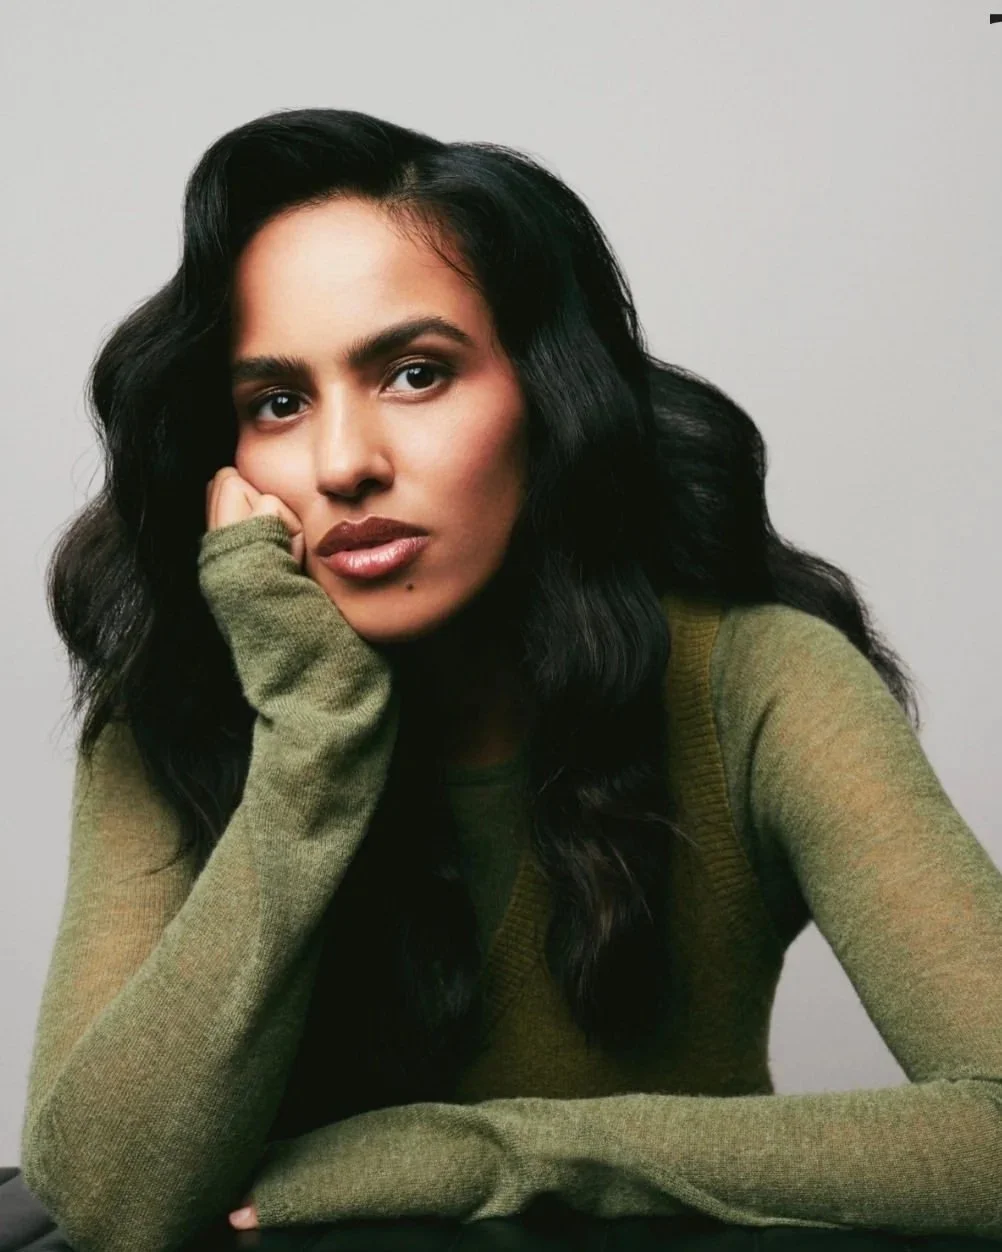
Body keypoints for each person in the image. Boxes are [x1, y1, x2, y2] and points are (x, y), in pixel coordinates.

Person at [19, 107, 1002, 1252]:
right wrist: (313, 741)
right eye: (277, 403)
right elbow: (107, 1198)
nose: (344, 463)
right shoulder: (180, 707)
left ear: (546, 395)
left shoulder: (758, 680)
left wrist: (497, 1153)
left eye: (416, 372)